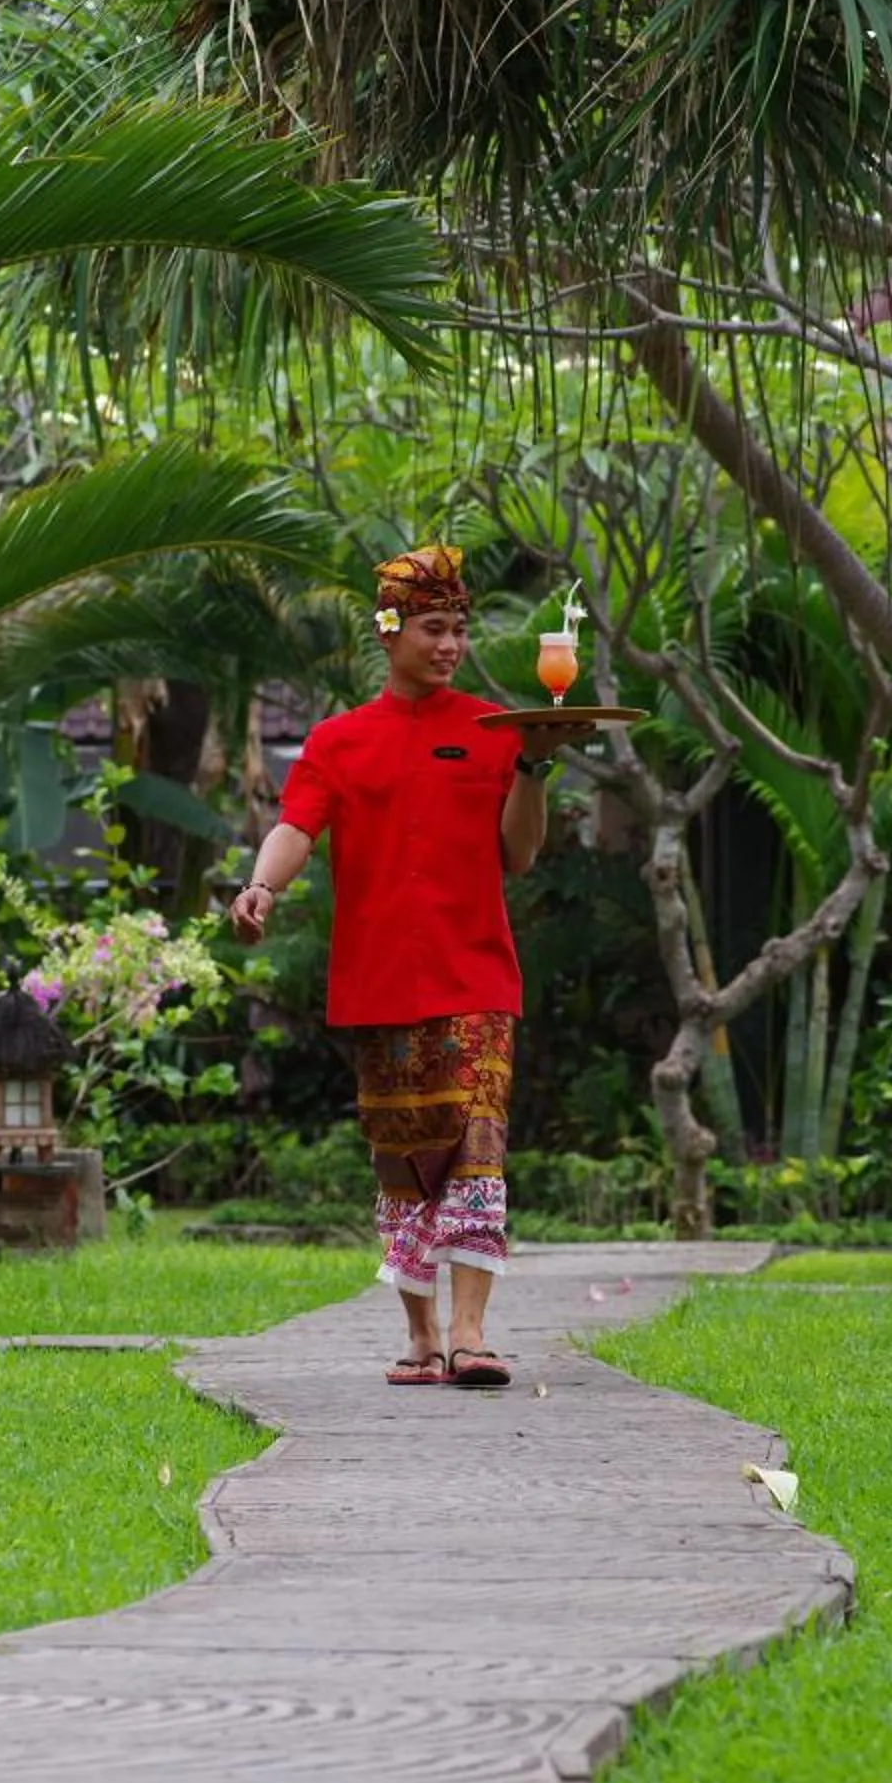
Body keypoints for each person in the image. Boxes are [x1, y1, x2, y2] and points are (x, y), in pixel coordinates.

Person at [228, 545, 588, 1388]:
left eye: (459, 628)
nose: (451, 644)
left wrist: (534, 766)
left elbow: (519, 855)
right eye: (433, 628)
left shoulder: (497, 730)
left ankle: (470, 1334)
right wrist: (260, 887)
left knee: (477, 1146)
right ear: (388, 630)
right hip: (378, 984)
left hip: (478, 979)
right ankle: (422, 1337)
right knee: (404, 1159)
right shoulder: (337, 741)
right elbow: (296, 827)